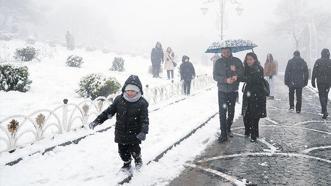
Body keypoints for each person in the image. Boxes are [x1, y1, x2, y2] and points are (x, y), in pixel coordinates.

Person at [89, 75, 149, 171]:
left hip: (134, 133)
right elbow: (108, 112)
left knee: (135, 149)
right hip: (121, 132)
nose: (130, 93)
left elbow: (144, 119)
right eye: (128, 90)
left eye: (133, 91)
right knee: (122, 151)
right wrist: (97, 121)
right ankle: (126, 163)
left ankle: (138, 159)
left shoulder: (141, 103)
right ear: (124, 90)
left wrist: (143, 132)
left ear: (138, 91)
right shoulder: (119, 100)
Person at [213, 47, 244, 143]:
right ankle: (223, 134)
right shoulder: (218, 62)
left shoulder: (237, 61)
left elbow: (242, 72)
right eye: (223, 52)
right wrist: (225, 80)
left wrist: (236, 74)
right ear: (221, 52)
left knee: (231, 112)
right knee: (222, 112)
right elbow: (215, 76)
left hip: (233, 90)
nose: (225, 53)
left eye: (227, 51)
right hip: (222, 91)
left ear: (230, 51)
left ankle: (228, 128)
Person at [242, 52, 267, 142]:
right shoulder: (246, 68)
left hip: (257, 94)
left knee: (255, 115)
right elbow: (242, 77)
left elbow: (253, 79)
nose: (248, 61)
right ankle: (248, 130)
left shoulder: (258, 68)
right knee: (246, 114)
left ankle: (254, 134)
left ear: (254, 60)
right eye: (247, 59)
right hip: (248, 93)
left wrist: (243, 77)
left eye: (250, 59)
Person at [311, 48, 331, 119]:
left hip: (320, 82)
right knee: (325, 95)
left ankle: (324, 110)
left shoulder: (318, 61)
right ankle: (324, 109)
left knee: (321, 95)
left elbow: (314, 72)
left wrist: (313, 81)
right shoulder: (330, 62)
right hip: (328, 82)